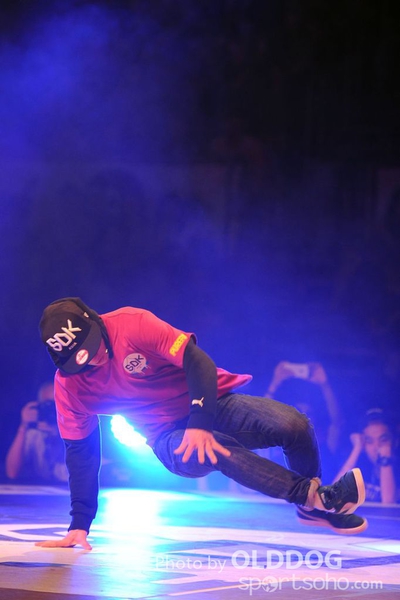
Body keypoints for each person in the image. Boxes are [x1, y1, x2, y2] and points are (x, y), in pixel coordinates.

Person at [35, 297, 367, 551]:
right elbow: (81, 455)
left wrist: (200, 420)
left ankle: (313, 510)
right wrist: (79, 523)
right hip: (166, 436)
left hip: (210, 403)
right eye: (81, 360)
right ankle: (313, 497)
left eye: (93, 346)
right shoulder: (69, 388)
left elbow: (197, 361)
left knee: (294, 425)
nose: (94, 358)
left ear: (95, 321)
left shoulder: (132, 324)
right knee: (215, 448)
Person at [265, 361, 344, 482]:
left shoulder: (321, 446)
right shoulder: (279, 444)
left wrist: (325, 385)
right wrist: (275, 383)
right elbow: (262, 419)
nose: (303, 416)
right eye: (299, 412)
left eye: (308, 413)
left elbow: (336, 423)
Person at [5, 382, 68, 484]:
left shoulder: (81, 432)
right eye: (48, 405)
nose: (53, 410)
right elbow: (12, 473)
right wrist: (23, 426)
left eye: (58, 403)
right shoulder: (34, 435)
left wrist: (59, 435)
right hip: (40, 490)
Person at [334, 408, 399, 504]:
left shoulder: (397, 468)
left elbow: (388, 504)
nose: (376, 447)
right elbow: (333, 496)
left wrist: (385, 460)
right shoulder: (359, 466)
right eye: (369, 441)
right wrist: (357, 448)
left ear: (394, 441)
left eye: (383, 440)